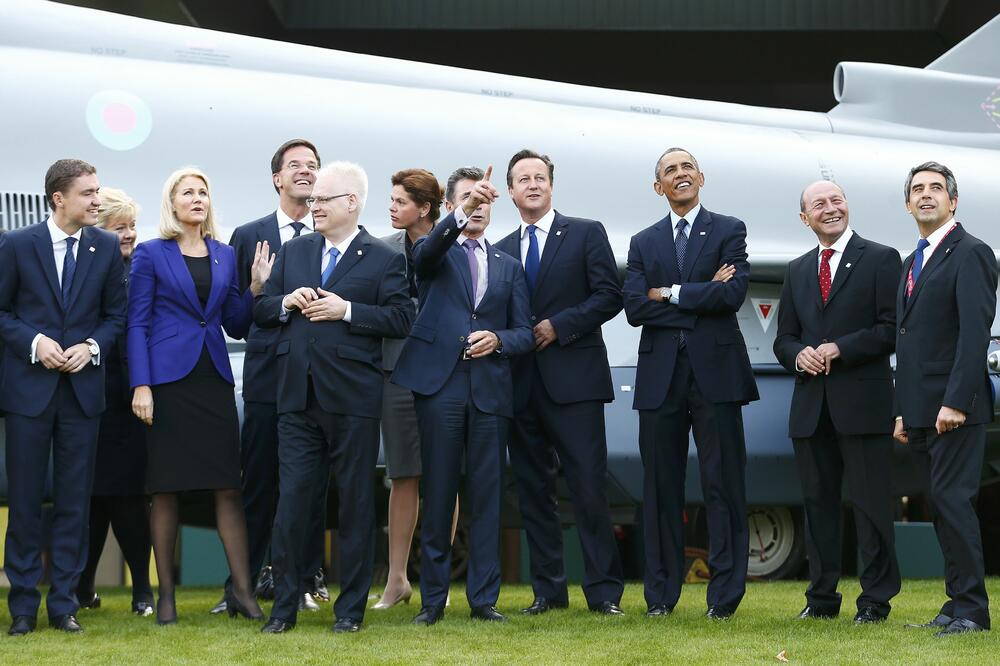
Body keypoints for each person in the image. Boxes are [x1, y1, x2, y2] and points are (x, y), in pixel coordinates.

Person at [254, 162, 414, 634]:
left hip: (353, 400)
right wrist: (284, 301)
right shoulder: (296, 249)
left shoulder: (384, 257)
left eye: (323, 199)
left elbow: (402, 317)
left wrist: (347, 310)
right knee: (292, 506)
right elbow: (262, 310)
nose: (312, 206)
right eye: (312, 199)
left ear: (352, 202)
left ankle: (350, 612)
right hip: (297, 399)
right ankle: (283, 610)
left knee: (356, 508)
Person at [127, 167, 272, 625]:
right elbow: (137, 323)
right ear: (171, 204)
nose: (197, 198)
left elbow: (233, 323)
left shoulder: (225, 255)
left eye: (203, 192)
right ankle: (166, 597)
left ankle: (244, 595)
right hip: (167, 382)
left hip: (213, 380)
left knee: (228, 486)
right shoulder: (151, 254)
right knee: (165, 488)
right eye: (187, 192)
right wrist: (141, 385)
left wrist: (254, 288)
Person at [392, 165, 534, 626]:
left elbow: (524, 333)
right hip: (440, 387)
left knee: (489, 496)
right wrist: (461, 213)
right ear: (451, 206)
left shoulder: (510, 266)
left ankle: (483, 600)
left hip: (490, 390)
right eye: (469, 200)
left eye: (484, 200)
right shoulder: (435, 250)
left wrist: (498, 339)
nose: (478, 207)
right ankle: (433, 600)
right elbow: (425, 255)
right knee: (438, 492)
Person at [623, 147, 758, 620]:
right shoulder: (643, 242)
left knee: (724, 485)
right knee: (660, 488)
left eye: (686, 168)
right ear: (658, 187)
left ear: (701, 177)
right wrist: (704, 292)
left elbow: (733, 294)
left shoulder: (729, 229)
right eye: (668, 171)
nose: (679, 175)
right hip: (660, 377)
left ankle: (723, 598)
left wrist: (673, 292)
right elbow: (636, 308)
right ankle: (660, 596)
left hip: (716, 375)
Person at [494, 150, 625, 616]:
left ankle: (604, 593)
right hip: (520, 384)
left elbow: (610, 295)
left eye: (540, 177)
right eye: (523, 179)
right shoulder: (502, 247)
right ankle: (548, 592)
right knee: (532, 492)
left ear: (551, 185)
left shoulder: (586, 232)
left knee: (589, 488)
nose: (532, 184)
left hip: (575, 381)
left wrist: (559, 325)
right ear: (510, 191)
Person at [0, 159, 127, 635]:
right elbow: (2, 312)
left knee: (76, 503)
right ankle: (22, 608)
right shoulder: (15, 245)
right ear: (59, 199)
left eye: (97, 191)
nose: (98, 199)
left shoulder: (107, 246)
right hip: (27, 394)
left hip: (82, 394)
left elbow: (116, 317)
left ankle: (64, 605)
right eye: (89, 192)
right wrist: (35, 343)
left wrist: (91, 348)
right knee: (27, 502)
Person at [773, 180, 902, 624]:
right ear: (804, 217)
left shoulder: (883, 259)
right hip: (811, 409)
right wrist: (798, 354)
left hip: (863, 404)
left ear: (847, 206)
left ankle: (875, 601)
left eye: (836, 200)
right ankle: (821, 600)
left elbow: (890, 329)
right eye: (818, 204)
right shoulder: (797, 269)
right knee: (818, 508)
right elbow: (783, 338)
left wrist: (839, 348)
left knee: (871, 507)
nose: (830, 208)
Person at [219, 139, 328, 616]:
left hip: (318, 380)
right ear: (276, 178)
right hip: (266, 377)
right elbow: (237, 321)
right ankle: (240, 587)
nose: (305, 172)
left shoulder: (333, 232)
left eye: (313, 167)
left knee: (309, 485)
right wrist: (257, 287)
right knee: (259, 485)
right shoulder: (249, 235)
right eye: (296, 166)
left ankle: (305, 580)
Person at [893, 162, 997, 637]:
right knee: (940, 504)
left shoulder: (971, 252)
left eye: (937, 188)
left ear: (953, 201)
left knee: (954, 502)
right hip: (920, 410)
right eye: (918, 189)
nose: (927, 195)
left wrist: (956, 400)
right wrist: (901, 408)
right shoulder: (912, 260)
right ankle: (955, 605)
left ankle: (973, 611)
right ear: (908, 203)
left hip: (955, 409)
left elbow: (974, 335)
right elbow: (909, 340)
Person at [375, 168, 459, 610]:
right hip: (396, 372)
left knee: (444, 477)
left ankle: (437, 585)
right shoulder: (383, 249)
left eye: (398, 201)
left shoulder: (454, 248)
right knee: (402, 474)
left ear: (424, 208)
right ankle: (396, 581)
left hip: (446, 371)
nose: (390, 207)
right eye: (389, 200)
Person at [76, 187, 155, 617]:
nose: (128, 235)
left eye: (131, 227)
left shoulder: (140, 270)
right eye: (118, 227)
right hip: (90, 394)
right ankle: (84, 586)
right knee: (92, 498)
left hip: (131, 395)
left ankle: (142, 588)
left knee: (125, 495)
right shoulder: (85, 271)